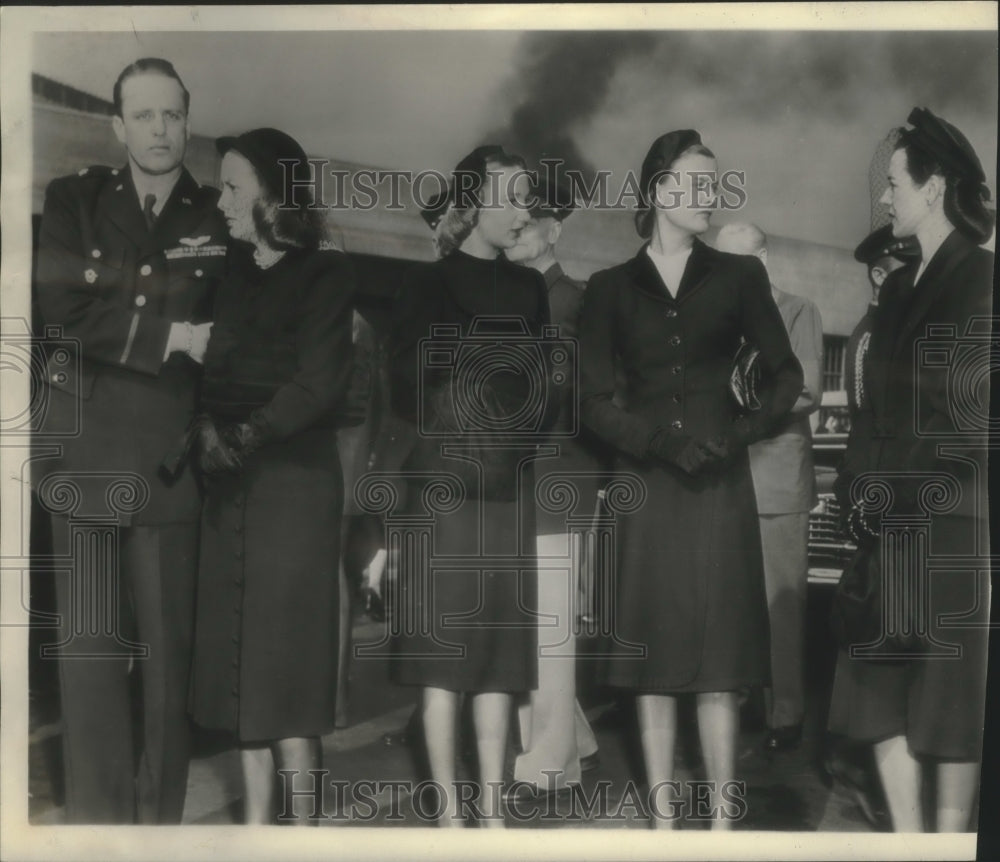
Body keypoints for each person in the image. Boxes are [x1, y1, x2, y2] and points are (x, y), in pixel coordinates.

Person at [578, 130, 803, 829]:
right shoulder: (610, 288)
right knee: (651, 660)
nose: (708, 196)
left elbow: (786, 376)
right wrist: (658, 444)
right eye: (694, 184)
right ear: (656, 191)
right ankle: (666, 824)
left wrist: (734, 437)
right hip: (644, 490)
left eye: (714, 184)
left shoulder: (738, 277)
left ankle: (724, 823)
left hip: (717, 487)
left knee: (720, 661)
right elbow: (587, 401)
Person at [34, 58, 224, 823]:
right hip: (81, 459)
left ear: (187, 120)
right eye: (142, 115)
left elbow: (228, 335)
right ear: (118, 126)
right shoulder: (74, 198)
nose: (158, 129)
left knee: (166, 671)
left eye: (171, 115)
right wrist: (172, 332)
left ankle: (158, 830)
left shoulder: (215, 217)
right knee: (87, 665)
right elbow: (59, 311)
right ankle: (97, 831)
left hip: (167, 463)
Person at [188, 128, 357, 824]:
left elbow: (318, 383)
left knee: (288, 678)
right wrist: (203, 428)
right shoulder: (223, 271)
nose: (221, 201)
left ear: (270, 192)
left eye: (233, 187)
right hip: (229, 490)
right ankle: (257, 831)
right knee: (242, 677)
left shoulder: (324, 273)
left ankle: (303, 834)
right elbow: (204, 368)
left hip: (292, 492)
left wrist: (245, 435)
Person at [833, 108, 994, 832]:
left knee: (946, 695)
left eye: (895, 183)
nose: (885, 198)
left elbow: (970, 415)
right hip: (886, 519)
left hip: (949, 516)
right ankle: (907, 842)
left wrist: (897, 487)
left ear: (934, 188)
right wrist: (860, 491)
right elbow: (872, 414)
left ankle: (950, 842)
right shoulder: (895, 293)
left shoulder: (982, 278)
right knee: (876, 686)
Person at [387, 145, 550, 827]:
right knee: (442, 657)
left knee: (497, 657)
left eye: (526, 198)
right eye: (509, 196)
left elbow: (544, 385)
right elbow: (402, 387)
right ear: (473, 200)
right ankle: (450, 815)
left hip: (507, 485)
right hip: (445, 487)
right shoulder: (427, 284)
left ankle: (490, 809)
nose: (521, 211)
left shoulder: (531, 287)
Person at [504, 175, 601, 794]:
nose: (514, 225)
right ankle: (572, 740)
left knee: (550, 626)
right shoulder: (515, 297)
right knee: (529, 622)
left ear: (555, 230)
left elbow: (558, 395)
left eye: (527, 218)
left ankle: (550, 762)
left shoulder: (569, 300)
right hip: (523, 475)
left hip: (557, 473)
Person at [715, 222, 823, 754]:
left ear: (762, 258)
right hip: (726, 480)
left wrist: (739, 414)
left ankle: (786, 714)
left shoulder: (799, 309)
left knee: (782, 605)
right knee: (734, 603)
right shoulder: (717, 315)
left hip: (777, 481)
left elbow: (806, 390)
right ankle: (736, 705)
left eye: (738, 261)